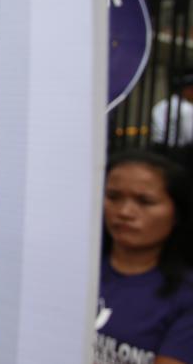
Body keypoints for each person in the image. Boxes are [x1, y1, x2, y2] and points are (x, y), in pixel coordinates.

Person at [95, 151, 193, 364]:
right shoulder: (75, 273)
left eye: (145, 201)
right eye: (113, 197)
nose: (125, 212)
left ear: (176, 212)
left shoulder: (185, 296)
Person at [150, 75, 193, 148]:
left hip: (157, 147)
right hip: (178, 151)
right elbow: (190, 136)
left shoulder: (160, 105)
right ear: (187, 89)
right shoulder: (186, 108)